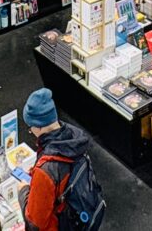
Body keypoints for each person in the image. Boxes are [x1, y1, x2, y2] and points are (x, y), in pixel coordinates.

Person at [20, 88, 96, 231]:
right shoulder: (75, 139)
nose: (31, 132)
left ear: (39, 126)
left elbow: (35, 223)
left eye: (30, 128)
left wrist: (23, 191)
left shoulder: (46, 170)